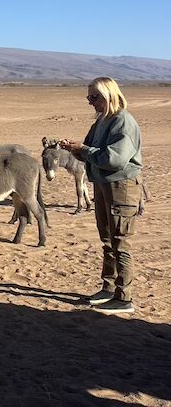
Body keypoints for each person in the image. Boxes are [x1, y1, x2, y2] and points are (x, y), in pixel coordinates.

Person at [60, 76, 143, 315]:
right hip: (103, 184)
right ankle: (108, 288)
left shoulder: (123, 121)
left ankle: (124, 297)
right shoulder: (102, 121)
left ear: (109, 95)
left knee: (120, 241)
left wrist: (84, 150)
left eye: (94, 97)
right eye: (88, 97)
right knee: (107, 239)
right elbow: (90, 151)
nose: (90, 102)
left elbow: (114, 159)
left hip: (121, 186)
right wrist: (74, 149)